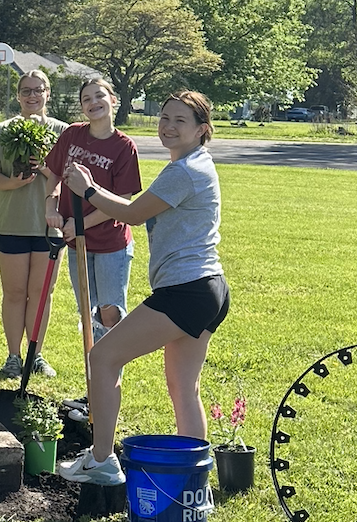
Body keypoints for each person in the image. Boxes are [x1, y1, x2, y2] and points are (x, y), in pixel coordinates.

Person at [55, 90, 229, 485]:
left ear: (202, 130)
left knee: (103, 358)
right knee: (184, 387)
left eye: (179, 121)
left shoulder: (186, 170)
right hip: (207, 289)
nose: (167, 126)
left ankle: (101, 460)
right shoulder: (192, 163)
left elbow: (133, 214)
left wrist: (88, 189)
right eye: (164, 117)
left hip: (186, 290)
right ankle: (192, 479)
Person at [42, 77, 142, 413]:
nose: (93, 102)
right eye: (86, 98)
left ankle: (107, 388)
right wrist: (50, 206)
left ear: (113, 100)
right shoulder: (72, 134)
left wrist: (80, 222)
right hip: (76, 241)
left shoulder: (124, 147)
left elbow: (124, 200)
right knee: (89, 312)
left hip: (110, 243)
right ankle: (93, 390)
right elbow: (53, 172)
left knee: (110, 312)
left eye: (99, 96)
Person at [0, 70, 70, 379]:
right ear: (18, 96)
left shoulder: (64, 132)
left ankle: (36, 354)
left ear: (48, 93)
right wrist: (14, 182)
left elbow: (71, 178)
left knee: (41, 294)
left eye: (39, 90)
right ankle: (13, 356)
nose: (32, 95)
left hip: (50, 225)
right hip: (11, 223)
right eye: (26, 90)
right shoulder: (1, 131)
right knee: (15, 292)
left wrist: (46, 169)